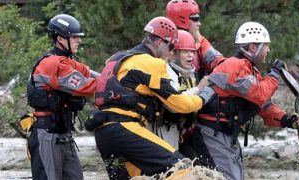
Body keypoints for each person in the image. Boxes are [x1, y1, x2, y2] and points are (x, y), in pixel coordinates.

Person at [92, 17, 214, 179]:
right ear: (159, 42)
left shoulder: (116, 58)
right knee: (182, 167)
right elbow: (179, 104)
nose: (171, 52)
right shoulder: (151, 63)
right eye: (171, 46)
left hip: (103, 133)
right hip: (124, 128)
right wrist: (204, 95)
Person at [191, 21, 299, 180]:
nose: (268, 50)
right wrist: (275, 73)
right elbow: (260, 94)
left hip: (225, 136)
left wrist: (287, 119)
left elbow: (264, 106)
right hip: (212, 134)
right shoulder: (235, 67)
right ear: (253, 47)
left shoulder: (249, 70)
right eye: (266, 45)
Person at [26, 14, 98, 180]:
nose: (78, 41)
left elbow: (91, 74)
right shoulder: (53, 63)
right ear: (59, 38)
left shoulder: (67, 62)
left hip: (63, 134)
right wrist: (110, 86)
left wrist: (114, 77)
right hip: (47, 134)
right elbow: (85, 85)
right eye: (74, 37)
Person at [147, 30, 209, 150]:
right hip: (163, 127)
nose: (191, 55)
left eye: (192, 51)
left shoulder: (189, 74)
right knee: (168, 166)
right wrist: (199, 89)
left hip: (178, 129)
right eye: (185, 51)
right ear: (172, 53)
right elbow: (173, 105)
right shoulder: (166, 71)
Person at [166, 0, 225, 79]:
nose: (199, 23)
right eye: (195, 19)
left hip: (196, 88)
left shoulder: (200, 41)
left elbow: (219, 62)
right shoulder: (163, 44)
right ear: (182, 19)